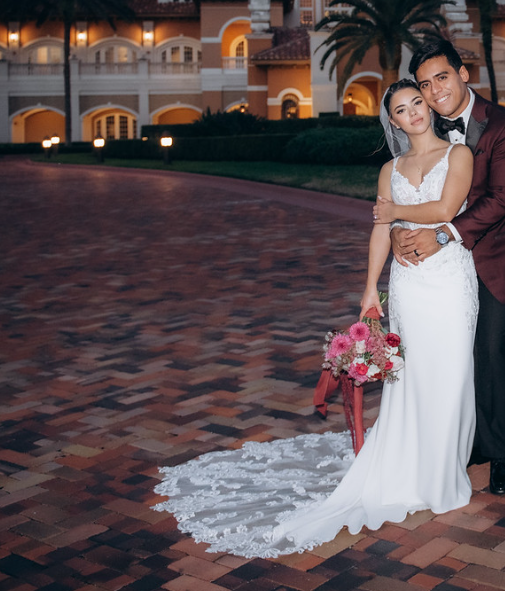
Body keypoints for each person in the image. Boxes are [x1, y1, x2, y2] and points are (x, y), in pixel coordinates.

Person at [152, 79, 479, 558]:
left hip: (450, 280)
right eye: (402, 110)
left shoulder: (460, 154)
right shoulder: (390, 168)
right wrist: (371, 287)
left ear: (428, 104)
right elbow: (380, 231)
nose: (414, 114)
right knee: (408, 380)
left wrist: (395, 212)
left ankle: (442, 474)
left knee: (450, 375)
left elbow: (447, 209)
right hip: (407, 284)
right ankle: (409, 468)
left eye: (417, 103)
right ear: (392, 120)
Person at [392, 39, 505, 496]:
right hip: (439, 267)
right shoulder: (423, 128)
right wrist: (397, 229)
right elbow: (406, 190)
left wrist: (444, 233)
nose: (434, 92)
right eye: (426, 85)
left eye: (443, 78)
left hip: (492, 256)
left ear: (463, 74)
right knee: (449, 352)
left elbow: (502, 199)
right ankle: (464, 441)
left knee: (490, 352)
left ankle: (501, 454)